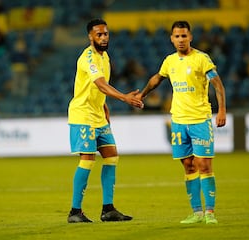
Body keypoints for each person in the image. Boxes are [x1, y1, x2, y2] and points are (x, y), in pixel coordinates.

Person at [136, 21, 226, 224]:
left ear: (190, 37)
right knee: (188, 165)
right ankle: (196, 213)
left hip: (199, 119)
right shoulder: (169, 61)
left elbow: (218, 85)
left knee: (204, 164)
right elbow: (156, 79)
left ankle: (210, 213)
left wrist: (221, 110)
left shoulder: (202, 59)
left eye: (184, 36)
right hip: (177, 120)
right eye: (177, 36)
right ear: (171, 38)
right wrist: (141, 95)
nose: (180, 40)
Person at [67, 19, 144, 223]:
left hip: (98, 114)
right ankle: (75, 211)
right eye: (99, 34)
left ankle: (108, 210)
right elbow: (100, 84)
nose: (103, 37)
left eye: (106, 34)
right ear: (90, 37)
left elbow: (100, 89)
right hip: (83, 114)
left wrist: (104, 106)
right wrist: (125, 98)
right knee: (87, 160)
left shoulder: (105, 57)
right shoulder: (88, 58)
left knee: (111, 157)